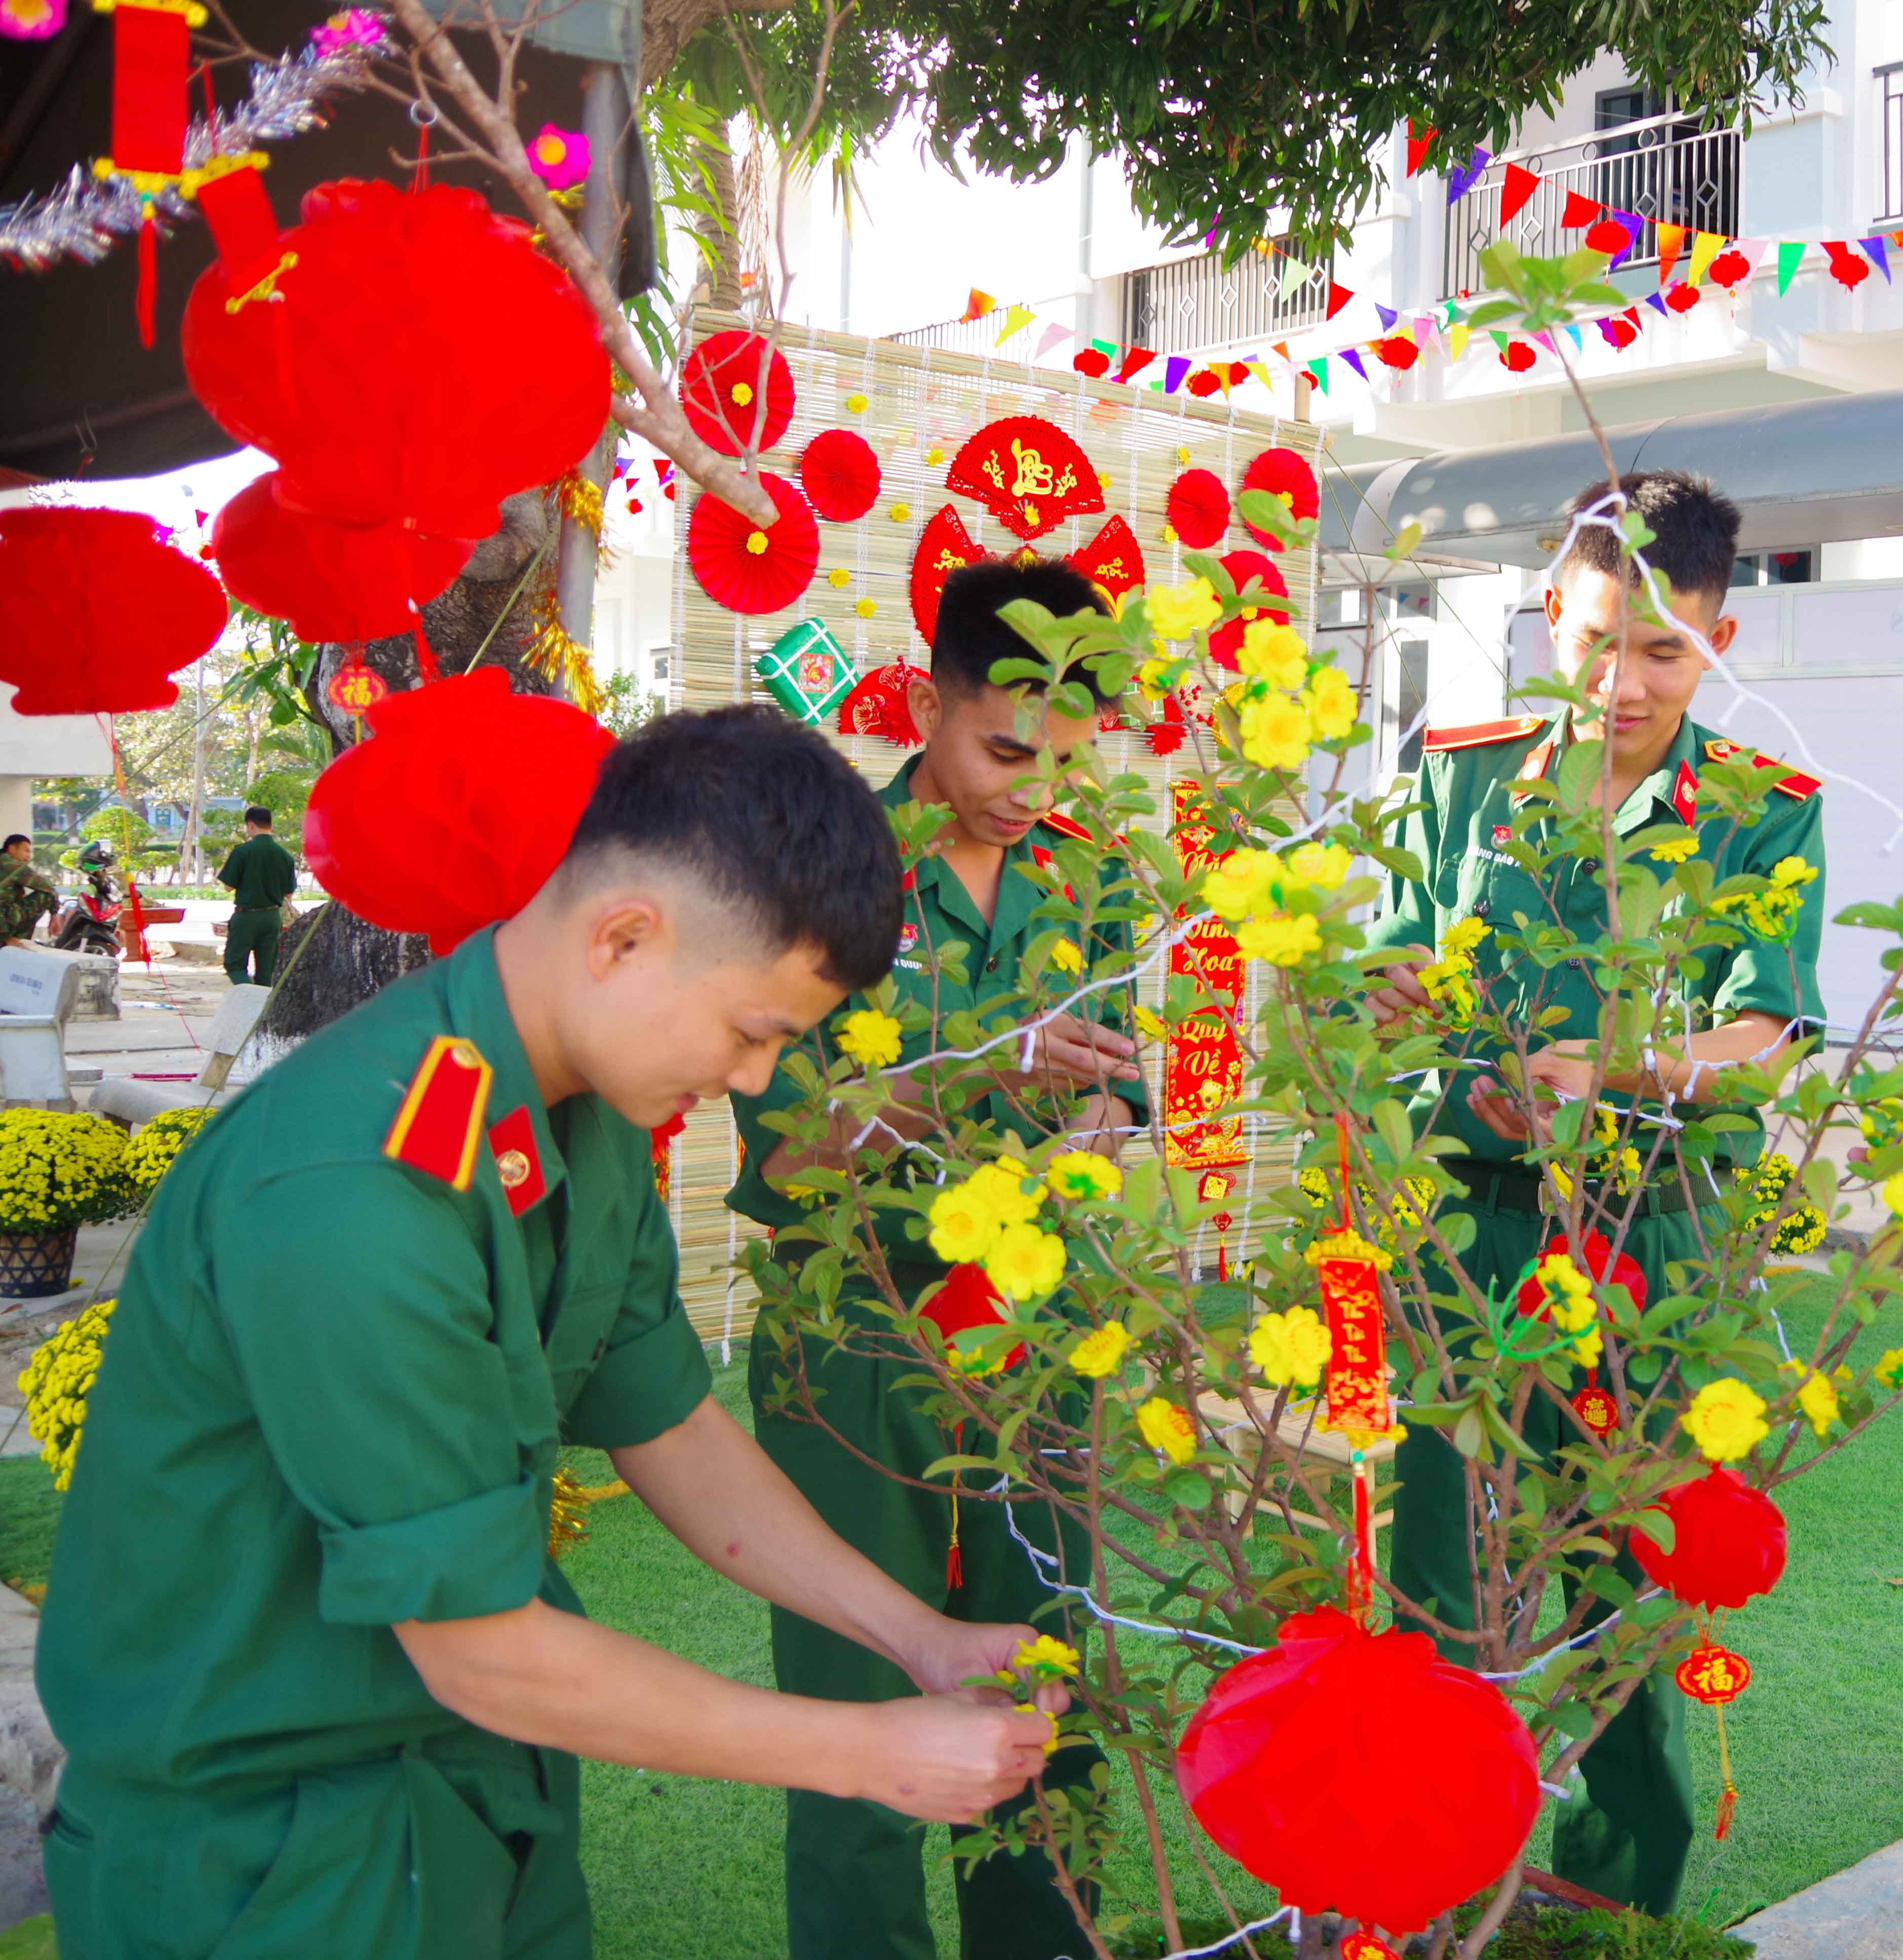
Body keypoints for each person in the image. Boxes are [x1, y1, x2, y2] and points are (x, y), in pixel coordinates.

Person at [38, 707, 1065, 1959]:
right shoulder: (351, 1186)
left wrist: (921, 1637)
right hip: (267, 1852)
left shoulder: (587, 1106)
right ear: (624, 935)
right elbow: (477, 1648)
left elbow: (669, 1419)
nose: (753, 1083)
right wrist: (866, 1748)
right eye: (753, 1033)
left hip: (483, 1799)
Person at [1365, 470, 1825, 1912]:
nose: (1620, 682)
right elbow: (1398, 972)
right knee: (1440, 1588)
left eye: (1661, 650)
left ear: (1722, 639)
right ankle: (1431, 1894)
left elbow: (1760, 1041)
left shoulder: (1762, 814)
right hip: (1469, 1234)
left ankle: (1614, 1904)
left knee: (1626, 1584)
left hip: (1654, 1241)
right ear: (1544, 616)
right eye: (1590, 640)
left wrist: (1609, 1068)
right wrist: (1412, 1016)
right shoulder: (1463, 774)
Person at [728, 558, 1147, 1960]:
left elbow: (1121, 1077)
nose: (1032, 786)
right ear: (926, 701)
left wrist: (1096, 1115)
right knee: (859, 1707)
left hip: (1038, 1327)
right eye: (1004, 747)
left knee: (1046, 1694)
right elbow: (790, 1152)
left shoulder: (1089, 875)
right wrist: (983, 1070)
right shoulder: (819, 865)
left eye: (1068, 756)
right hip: (850, 1333)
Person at [217, 804, 299, 986]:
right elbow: (289, 892)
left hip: (247, 916)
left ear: (251, 825)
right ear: (270, 825)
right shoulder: (285, 855)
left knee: (235, 964)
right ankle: (263, 1009)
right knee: (267, 971)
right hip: (273, 918)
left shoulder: (243, 851)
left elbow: (228, 886)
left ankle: (247, 997)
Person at [0, 833, 56, 944]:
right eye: (26, 851)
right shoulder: (12, 865)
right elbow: (48, 887)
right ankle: (15, 940)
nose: (29, 856)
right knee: (46, 896)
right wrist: (55, 914)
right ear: (12, 849)